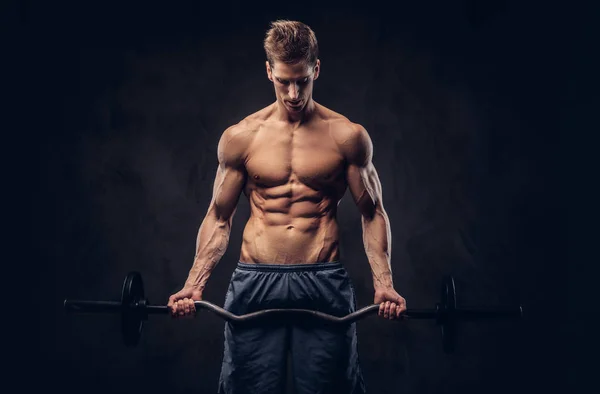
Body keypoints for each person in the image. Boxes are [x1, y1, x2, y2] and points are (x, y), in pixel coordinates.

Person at [167, 20, 407, 394]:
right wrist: (193, 285)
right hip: (255, 279)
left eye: (302, 80)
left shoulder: (346, 136)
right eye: (283, 81)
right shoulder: (241, 137)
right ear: (268, 71)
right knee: (245, 388)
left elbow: (372, 212)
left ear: (316, 69)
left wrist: (384, 284)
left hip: (322, 279)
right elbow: (219, 216)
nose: (294, 93)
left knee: (334, 388)